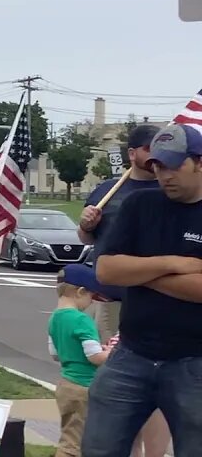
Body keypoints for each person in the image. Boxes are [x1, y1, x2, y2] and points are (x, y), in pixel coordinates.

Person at [83, 122, 202, 456]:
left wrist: (137, 271)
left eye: (174, 164)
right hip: (131, 355)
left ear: (200, 162)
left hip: (193, 362)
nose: (165, 175)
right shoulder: (140, 205)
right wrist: (173, 263)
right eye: (158, 165)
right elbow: (106, 270)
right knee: (99, 448)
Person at [78, 124, 161, 341]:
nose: (157, 154)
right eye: (149, 148)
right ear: (132, 153)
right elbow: (86, 238)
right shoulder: (106, 191)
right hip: (111, 297)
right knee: (107, 361)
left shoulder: (169, 190)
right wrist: (86, 225)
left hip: (157, 297)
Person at [47, 264, 113, 457]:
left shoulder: (55, 318)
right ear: (81, 292)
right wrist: (113, 353)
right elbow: (95, 358)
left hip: (66, 385)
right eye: (91, 297)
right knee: (74, 444)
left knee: (69, 432)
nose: (91, 302)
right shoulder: (82, 320)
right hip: (84, 386)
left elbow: (55, 353)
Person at [103, 331, 172, 457]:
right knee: (133, 444)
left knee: (150, 448)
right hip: (129, 389)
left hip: (156, 389)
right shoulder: (127, 332)